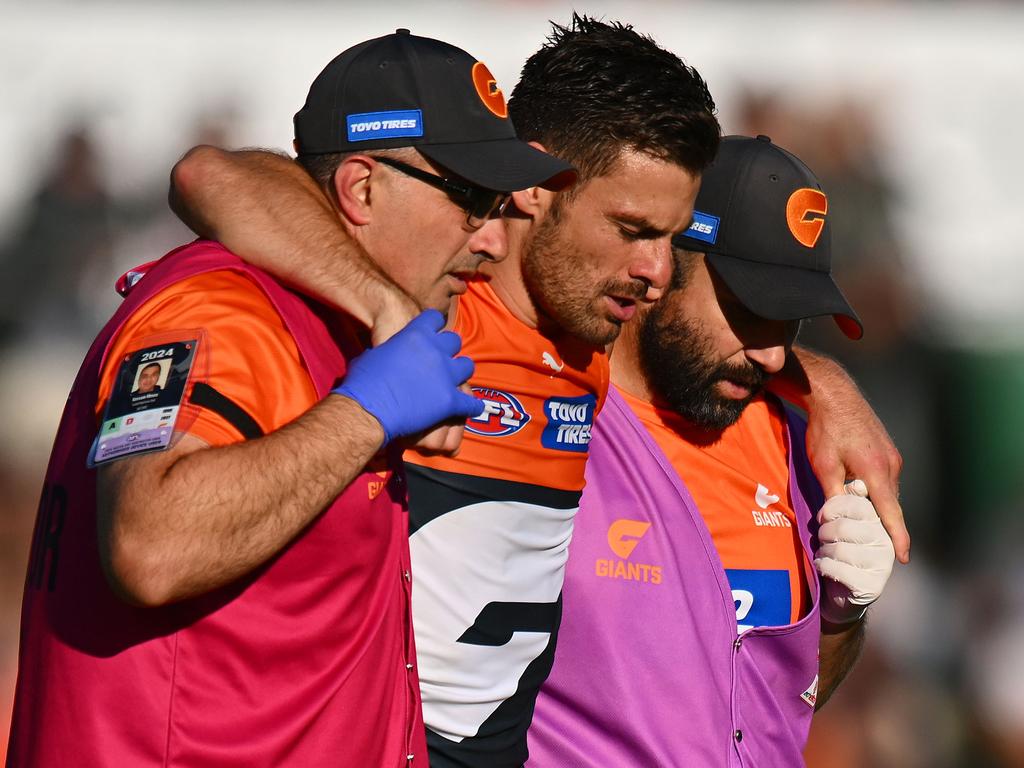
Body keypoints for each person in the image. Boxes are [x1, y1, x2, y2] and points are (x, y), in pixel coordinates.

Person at [168, 17, 906, 767]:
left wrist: (826, 389)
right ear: (535, 185)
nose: (652, 271)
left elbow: (716, 339)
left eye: (668, 236)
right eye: (632, 228)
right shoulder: (446, 304)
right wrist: (386, 310)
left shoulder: (594, 329)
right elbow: (212, 177)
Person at [7, 29, 572, 768]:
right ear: (363, 189)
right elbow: (150, 546)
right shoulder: (224, 308)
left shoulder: (354, 321)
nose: (493, 240)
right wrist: (364, 414)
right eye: (471, 199)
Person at [527, 136, 896, 767]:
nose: (773, 354)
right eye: (753, 311)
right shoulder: (546, 404)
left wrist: (840, 619)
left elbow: (776, 708)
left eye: (793, 323)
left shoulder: (798, 447)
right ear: (665, 263)